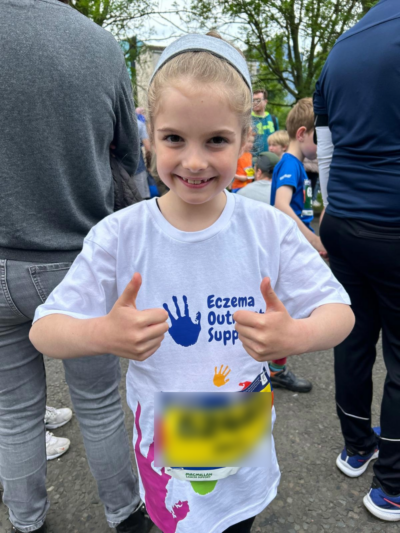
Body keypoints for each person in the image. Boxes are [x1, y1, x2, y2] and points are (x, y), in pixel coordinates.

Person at [29, 33, 354, 533]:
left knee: (238, 524)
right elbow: (45, 328)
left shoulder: (268, 228)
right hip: (168, 464)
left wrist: (297, 336)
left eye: (217, 140)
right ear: (149, 140)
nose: (195, 161)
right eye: (175, 139)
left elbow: (340, 312)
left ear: (245, 141)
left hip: (244, 457)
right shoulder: (120, 234)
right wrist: (103, 335)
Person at [0, 1, 150, 532]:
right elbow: (130, 156)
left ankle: (26, 522)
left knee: (13, 412)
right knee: (99, 400)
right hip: (78, 260)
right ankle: (126, 515)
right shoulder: (98, 44)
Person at [314, 0, 400, 521]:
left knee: (353, 336)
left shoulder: (341, 48)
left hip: (343, 218)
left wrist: (334, 212)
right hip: (392, 222)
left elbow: (325, 152)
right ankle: (392, 486)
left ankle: (356, 446)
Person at [239, 153, 313, 393]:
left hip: (245, 266)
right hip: (276, 268)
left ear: (258, 172)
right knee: (281, 313)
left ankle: (248, 370)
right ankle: (277, 370)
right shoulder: (287, 194)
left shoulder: (240, 195)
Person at [271, 98, 327, 258]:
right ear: (301, 133)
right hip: (292, 245)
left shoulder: (295, 165)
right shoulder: (290, 165)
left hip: (298, 241)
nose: (323, 145)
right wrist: (314, 241)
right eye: (319, 139)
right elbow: (281, 205)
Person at [251, 89, 279, 158]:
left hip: (272, 160)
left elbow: (279, 141)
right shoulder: (247, 120)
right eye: (253, 100)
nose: (255, 103)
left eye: (258, 100)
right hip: (253, 161)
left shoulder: (273, 119)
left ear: (265, 102)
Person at [134, 120, 151, 199]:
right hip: (138, 167)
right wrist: (149, 165)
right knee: (142, 196)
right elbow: (148, 147)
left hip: (118, 169)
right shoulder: (139, 124)